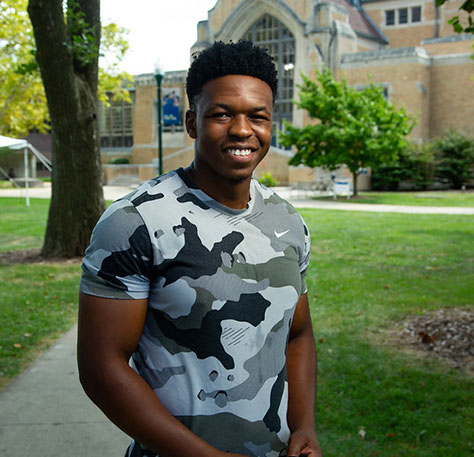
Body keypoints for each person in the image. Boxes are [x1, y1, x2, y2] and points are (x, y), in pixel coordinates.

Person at [78, 40, 321, 457]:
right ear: (192, 122)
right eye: (223, 114)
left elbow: (297, 333)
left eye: (257, 116)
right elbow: (102, 368)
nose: (242, 130)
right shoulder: (134, 222)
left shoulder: (287, 222)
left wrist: (304, 427)